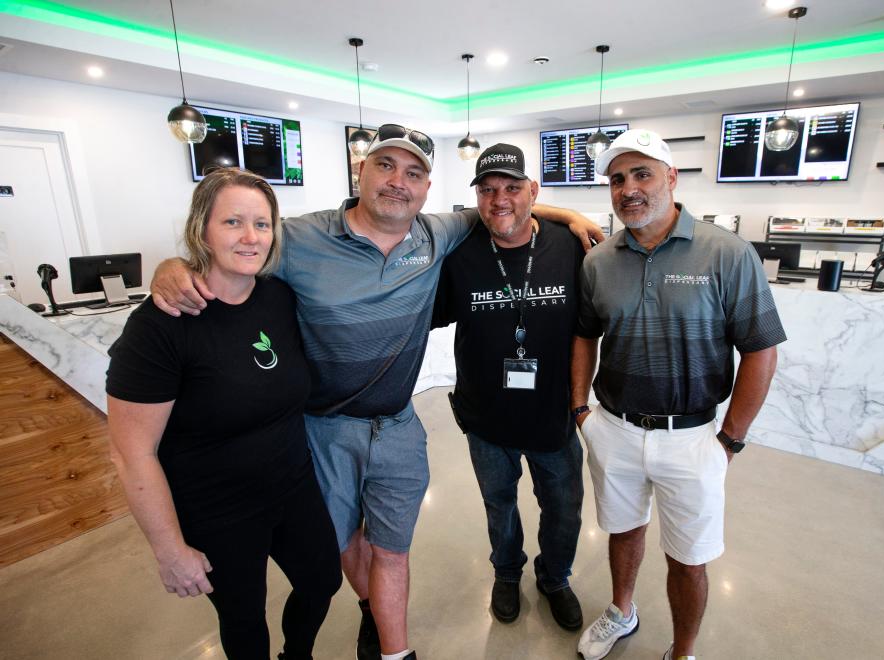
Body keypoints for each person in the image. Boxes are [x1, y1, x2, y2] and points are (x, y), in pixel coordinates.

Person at [150, 124, 604, 660]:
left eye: (413, 172)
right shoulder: (299, 239)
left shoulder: (438, 234)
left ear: (428, 187)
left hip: (400, 424)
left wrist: (570, 216)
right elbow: (236, 252)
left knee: (400, 546)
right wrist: (174, 266)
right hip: (325, 427)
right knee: (343, 540)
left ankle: (409, 645)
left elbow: (507, 211)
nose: (398, 182)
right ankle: (376, 607)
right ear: (360, 171)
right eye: (385, 166)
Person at [106, 167, 342, 660]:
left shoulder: (279, 297)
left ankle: (297, 654)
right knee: (243, 620)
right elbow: (132, 454)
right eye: (233, 222)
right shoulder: (160, 325)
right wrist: (170, 550)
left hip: (292, 487)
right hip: (216, 509)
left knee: (322, 581)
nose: (251, 237)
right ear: (202, 230)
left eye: (262, 224)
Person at [571, 129, 785, 660]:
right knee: (622, 532)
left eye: (642, 174)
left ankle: (682, 651)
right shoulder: (600, 260)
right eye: (617, 179)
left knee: (689, 558)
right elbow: (584, 335)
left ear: (671, 178)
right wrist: (581, 411)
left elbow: (761, 350)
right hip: (615, 428)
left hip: (692, 438)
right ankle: (622, 612)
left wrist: (729, 441)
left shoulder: (727, 253)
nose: (628, 189)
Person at [432, 144, 585, 630]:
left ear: (533, 193)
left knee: (563, 510)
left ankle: (555, 577)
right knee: (499, 505)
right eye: (488, 189)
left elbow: (593, 326)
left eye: (513, 188)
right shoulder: (458, 252)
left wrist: (583, 405)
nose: (500, 199)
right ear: (476, 196)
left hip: (553, 416)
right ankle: (506, 571)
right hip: (486, 417)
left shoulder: (570, 244)